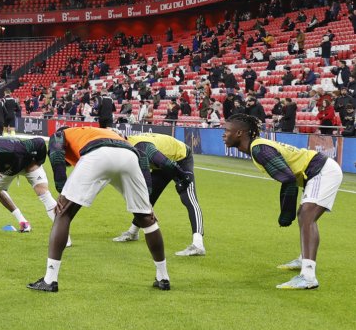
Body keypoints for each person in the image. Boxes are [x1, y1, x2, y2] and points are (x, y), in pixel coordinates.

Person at [28, 126, 183, 292]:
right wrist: (147, 202)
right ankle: (163, 277)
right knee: (146, 218)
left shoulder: (62, 133)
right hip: (129, 155)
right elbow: (143, 159)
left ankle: (50, 280)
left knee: (63, 213)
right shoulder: (93, 131)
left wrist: (61, 189)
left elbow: (56, 151)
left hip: (98, 153)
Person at [223, 114, 343, 289]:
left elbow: (288, 179)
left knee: (306, 216)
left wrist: (286, 213)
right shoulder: (257, 148)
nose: (223, 134)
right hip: (314, 172)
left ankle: (308, 276)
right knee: (306, 217)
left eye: (227, 130)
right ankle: (304, 258)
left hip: (321, 170)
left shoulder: (259, 150)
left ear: (240, 133)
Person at [112, 133, 204, 256]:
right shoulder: (132, 147)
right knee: (148, 197)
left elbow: (166, 163)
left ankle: (198, 244)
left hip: (180, 158)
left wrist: (183, 177)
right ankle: (133, 232)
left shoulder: (141, 147)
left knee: (188, 198)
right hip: (162, 162)